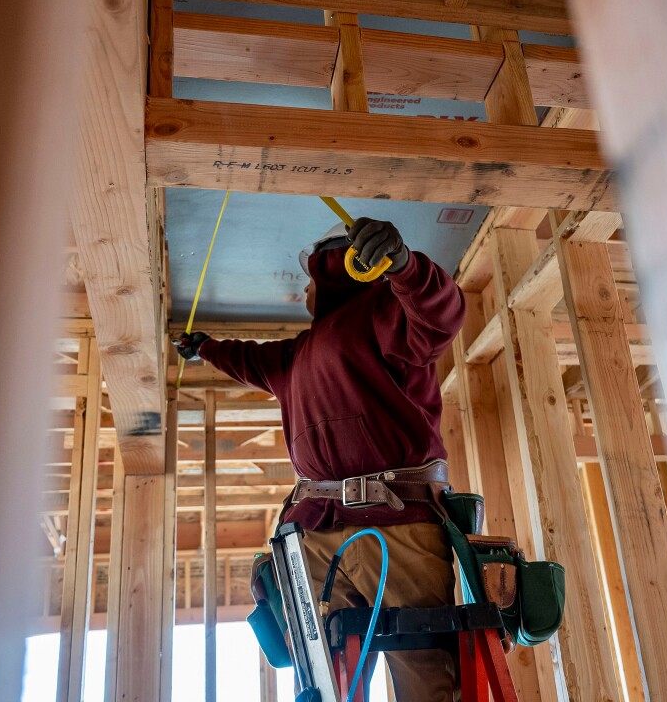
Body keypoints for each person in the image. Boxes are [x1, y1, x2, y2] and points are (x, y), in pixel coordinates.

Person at [177, 216, 465, 700]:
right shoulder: (296, 356)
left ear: (339, 269)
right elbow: (247, 360)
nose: (305, 293)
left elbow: (442, 316)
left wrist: (406, 267)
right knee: (325, 685)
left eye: (310, 281)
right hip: (316, 532)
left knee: (423, 676)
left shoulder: (384, 313)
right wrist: (204, 348)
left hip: (395, 521)